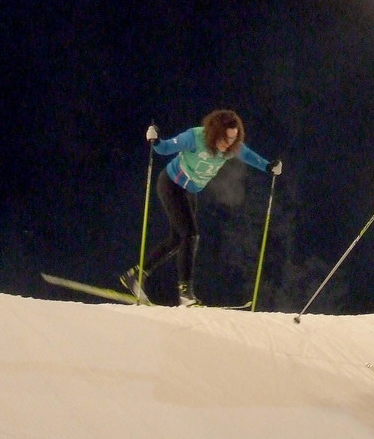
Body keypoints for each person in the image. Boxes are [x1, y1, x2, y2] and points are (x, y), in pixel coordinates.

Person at [120, 109, 282, 306]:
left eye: (233, 138)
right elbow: (164, 148)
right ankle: (185, 295)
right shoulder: (195, 137)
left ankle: (136, 274)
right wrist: (155, 138)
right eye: (226, 138)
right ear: (215, 132)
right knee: (190, 235)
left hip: (189, 191)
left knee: (178, 239)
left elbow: (248, 155)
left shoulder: (232, 146)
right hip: (172, 185)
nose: (229, 144)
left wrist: (268, 166)